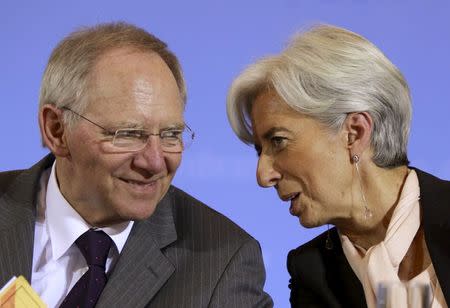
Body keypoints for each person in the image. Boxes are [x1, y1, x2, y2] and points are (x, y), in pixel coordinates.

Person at [0, 22, 273, 308]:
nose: (155, 162)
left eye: (171, 135)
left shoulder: (222, 264)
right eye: (128, 134)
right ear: (57, 130)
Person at [226, 24, 449, 307]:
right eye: (259, 150)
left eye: (278, 141)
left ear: (354, 133)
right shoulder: (312, 273)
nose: (262, 175)